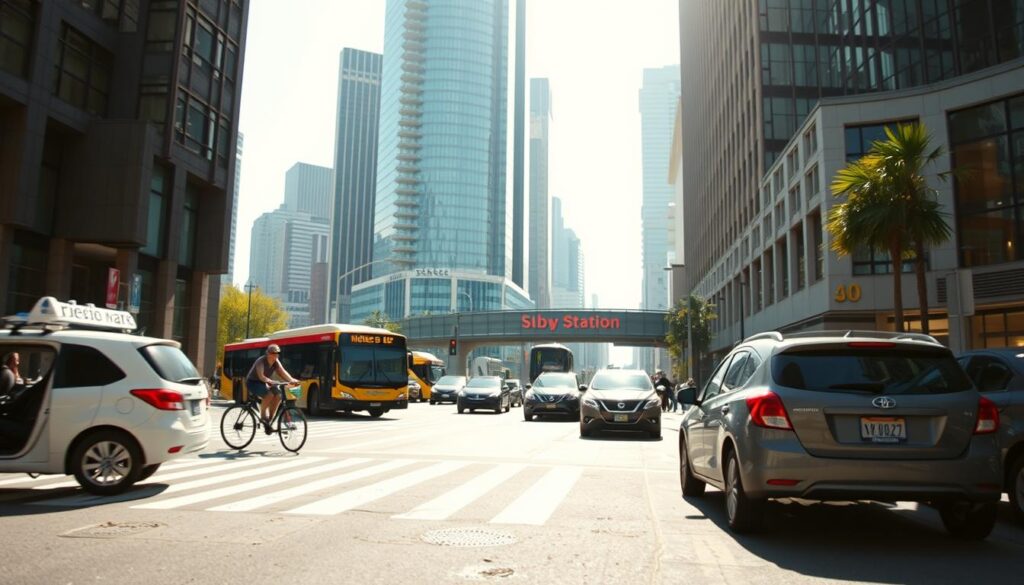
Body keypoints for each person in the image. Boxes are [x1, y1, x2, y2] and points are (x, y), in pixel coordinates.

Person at [246, 344, 298, 434]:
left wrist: (291, 380)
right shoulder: (261, 361)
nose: (276, 355)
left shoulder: (276, 361)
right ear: (268, 353)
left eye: (277, 353)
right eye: (273, 353)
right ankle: (263, 416)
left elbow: (282, 372)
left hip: (265, 382)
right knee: (269, 394)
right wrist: (271, 381)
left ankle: (269, 420)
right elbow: (261, 376)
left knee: (278, 395)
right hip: (253, 382)